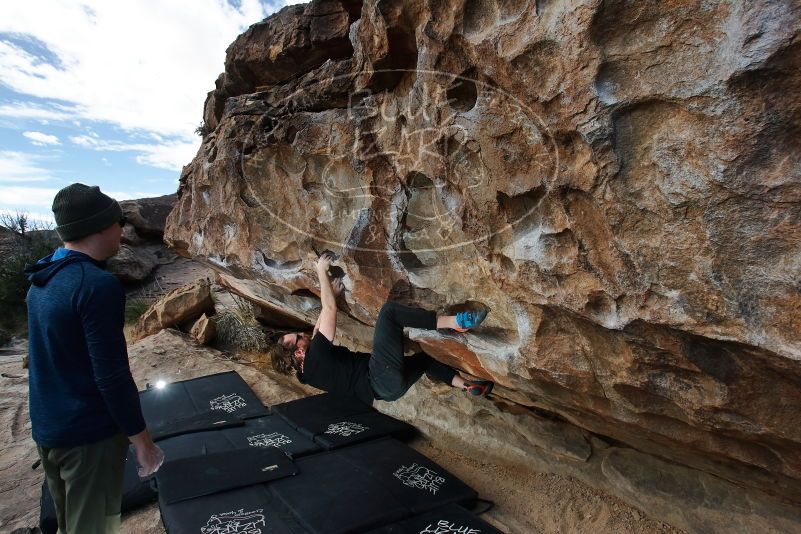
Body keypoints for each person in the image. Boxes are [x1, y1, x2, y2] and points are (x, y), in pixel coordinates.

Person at [24, 183, 164, 534]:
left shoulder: (42, 277)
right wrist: (143, 444)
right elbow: (112, 375)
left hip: (49, 429)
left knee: (69, 523)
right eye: (119, 222)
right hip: (88, 438)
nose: (122, 230)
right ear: (100, 227)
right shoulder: (95, 285)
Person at [270, 252, 494, 403]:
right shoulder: (316, 355)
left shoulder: (306, 374)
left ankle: (467, 386)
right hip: (379, 375)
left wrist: (333, 296)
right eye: (298, 337)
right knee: (389, 313)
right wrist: (321, 271)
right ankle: (457, 323)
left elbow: (317, 332)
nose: (303, 333)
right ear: (299, 352)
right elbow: (329, 310)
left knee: (426, 358)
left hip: (388, 393)